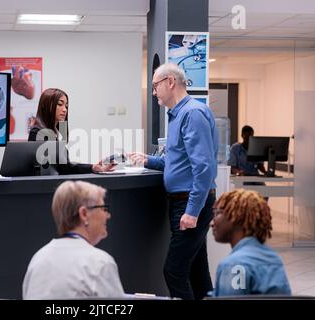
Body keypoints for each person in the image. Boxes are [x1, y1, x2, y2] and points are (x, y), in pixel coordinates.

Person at [129, 63, 218, 300]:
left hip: (190, 202)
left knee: (174, 271)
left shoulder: (192, 113)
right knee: (197, 271)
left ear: (170, 82)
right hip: (184, 201)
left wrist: (192, 210)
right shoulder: (178, 114)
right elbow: (178, 160)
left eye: (155, 85)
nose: (153, 91)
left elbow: (203, 167)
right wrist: (147, 161)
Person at [22, 180, 125, 299]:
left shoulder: (38, 259)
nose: (108, 215)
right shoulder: (100, 263)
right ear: (84, 214)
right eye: (103, 209)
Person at [210, 189, 291, 296]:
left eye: (218, 213)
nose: (212, 222)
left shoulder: (235, 264)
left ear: (236, 217)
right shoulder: (274, 258)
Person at [28, 88, 115, 174]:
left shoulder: (54, 134)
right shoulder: (38, 132)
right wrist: (92, 167)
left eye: (66, 106)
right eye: (59, 104)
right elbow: (63, 168)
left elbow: (65, 166)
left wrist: (93, 167)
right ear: (46, 105)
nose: (65, 109)